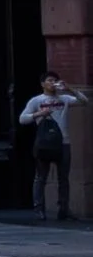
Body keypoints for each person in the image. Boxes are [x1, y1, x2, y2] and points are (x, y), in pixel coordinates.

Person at [23, 74, 79, 222]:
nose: (53, 83)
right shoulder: (37, 100)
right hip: (45, 144)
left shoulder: (64, 99)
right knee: (40, 177)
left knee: (63, 178)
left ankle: (64, 209)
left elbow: (83, 101)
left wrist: (70, 89)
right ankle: (38, 209)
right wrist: (39, 114)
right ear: (43, 84)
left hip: (63, 143)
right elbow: (22, 119)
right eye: (49, 81)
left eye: (55, 81)